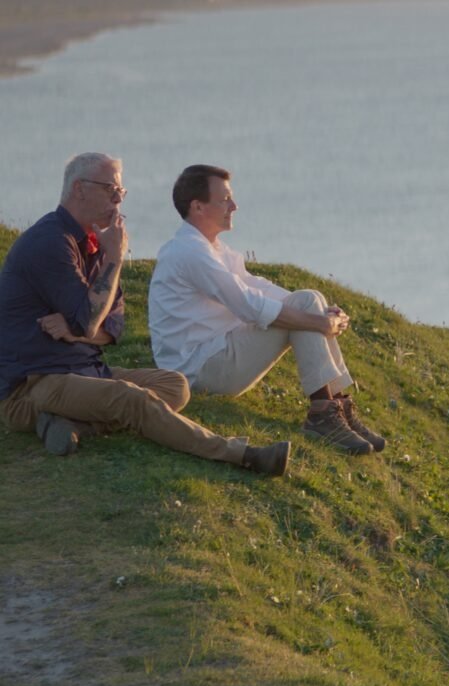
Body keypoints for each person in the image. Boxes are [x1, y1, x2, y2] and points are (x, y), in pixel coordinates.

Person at [0, 153, 289, 476]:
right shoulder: (50, 241)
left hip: (85, 371)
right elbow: (90, 320)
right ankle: (242, 454)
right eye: (110, 188)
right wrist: (113, 260)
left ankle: (72, 423)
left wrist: (76, 330)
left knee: (175, 386)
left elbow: (113, 327)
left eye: (120, 192)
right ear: (79, 189)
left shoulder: (96, 241)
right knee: (133, 399)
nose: (117, 199)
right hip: (33, 385)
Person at [149, 164, 384, 455]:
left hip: (217, 355)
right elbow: (248, 305)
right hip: (199, 370)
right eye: (224, 200)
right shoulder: (190, 252)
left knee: (309, 299)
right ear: (197, 206)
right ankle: (323, 415)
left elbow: (252, 285)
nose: (233, 206)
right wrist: (315, 320)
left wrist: (319, 314)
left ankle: (337, 407)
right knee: (306, 305)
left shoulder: (210, 247)